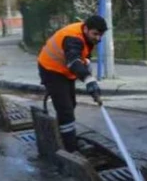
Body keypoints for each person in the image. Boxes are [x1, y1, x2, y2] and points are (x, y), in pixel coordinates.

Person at [38, 16, 107, 152]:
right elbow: (73, 61)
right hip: (51, 69)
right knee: (66, 110)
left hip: (64, 70)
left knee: (71, 104)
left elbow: (80, 56)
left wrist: (85, 63)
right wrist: (88, 80)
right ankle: (70, 148)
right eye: (96, 34)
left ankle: (64, 136)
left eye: (101, 35)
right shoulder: (72, 38)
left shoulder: (86, 34)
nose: (98, 38)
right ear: (86, 29)